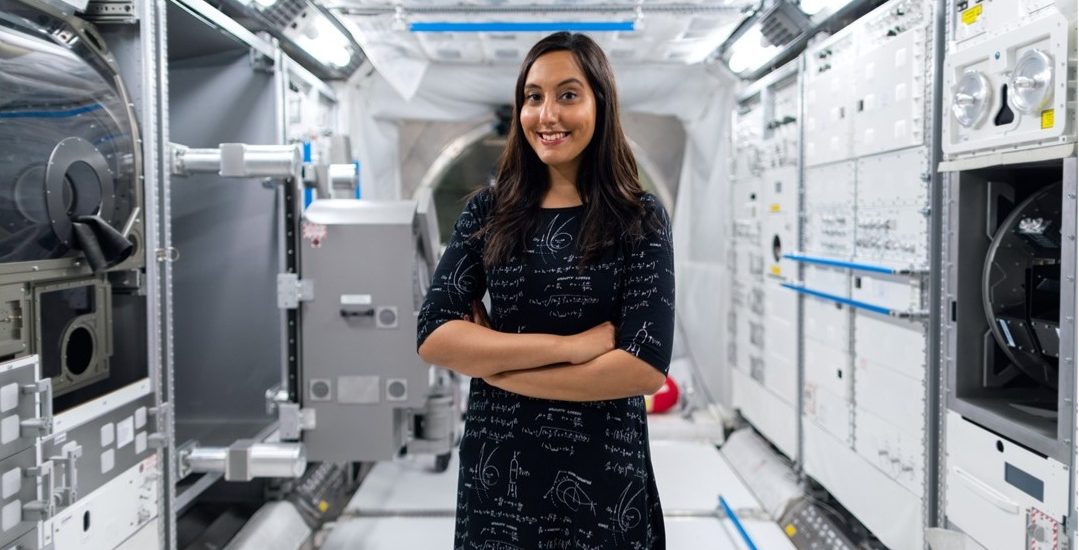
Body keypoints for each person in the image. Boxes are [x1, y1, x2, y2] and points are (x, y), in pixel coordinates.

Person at [416, 31, 675, 550]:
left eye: (568, 94)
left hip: (603, 477)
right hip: (500, 475)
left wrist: (494, 364)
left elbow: (643, 368)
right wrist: (572, 349)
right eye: (533, 97)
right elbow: (435, 335)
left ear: (601, 104)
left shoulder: (639, 218)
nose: (547, 114)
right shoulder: (486, 213)